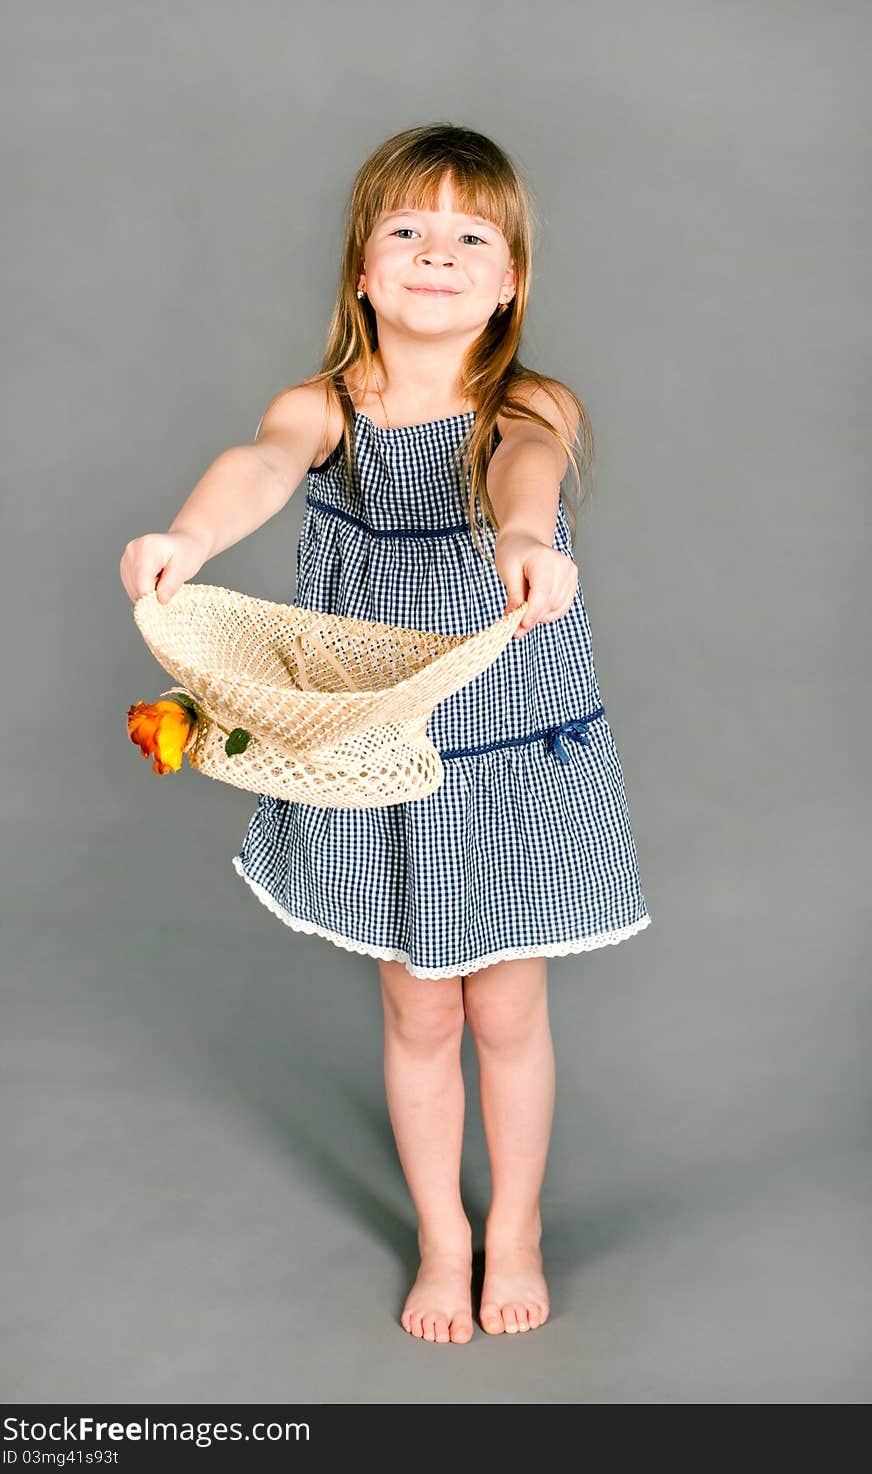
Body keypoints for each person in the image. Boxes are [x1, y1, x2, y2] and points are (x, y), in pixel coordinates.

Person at [120, 122, 651, 1346]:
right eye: (406, 230)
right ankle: (442, 1234)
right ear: (361, 267)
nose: (436, 253)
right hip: (381, 753)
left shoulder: (526, 403)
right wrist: (189, 542)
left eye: (471, 236)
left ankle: (511, 1225)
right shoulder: (324, 407)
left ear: (510, 277)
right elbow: (259, 464)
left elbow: (526, 470)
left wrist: (525, 542)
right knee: (418, 1011)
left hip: (510, 752)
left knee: (507, 1011)